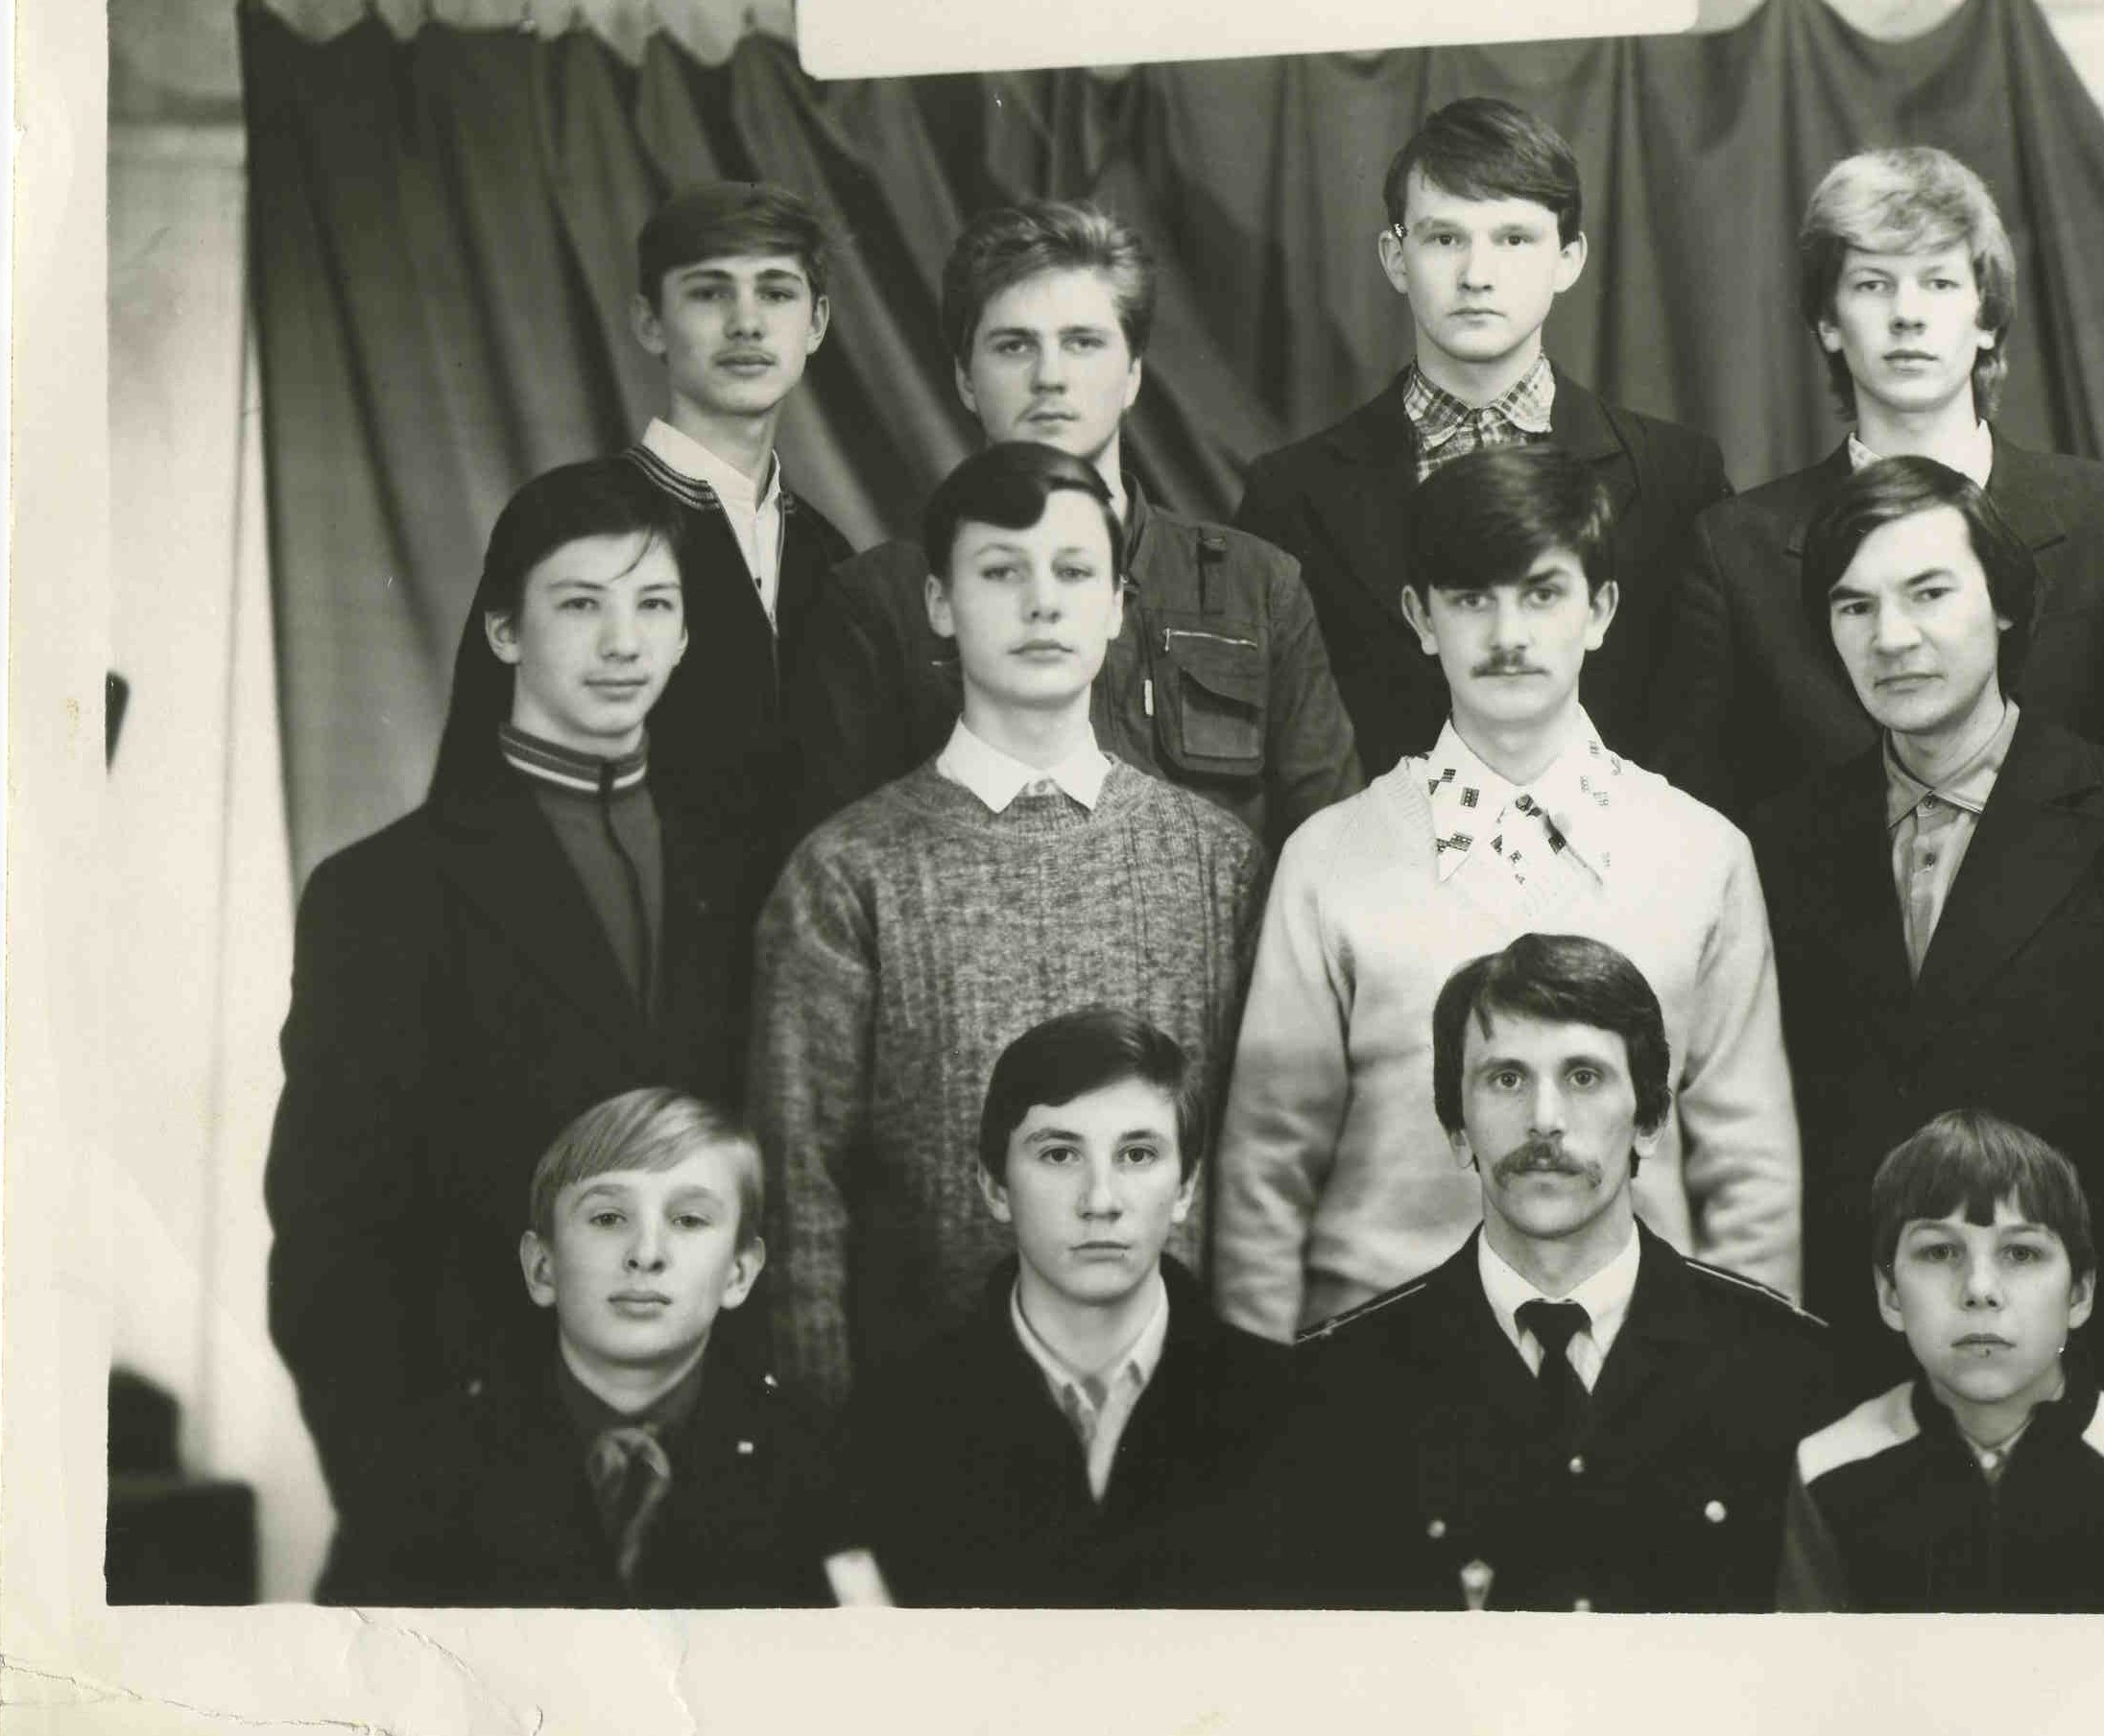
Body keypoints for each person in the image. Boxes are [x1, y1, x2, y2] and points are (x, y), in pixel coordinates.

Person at [1213, 445, 1802, 1343]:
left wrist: (1740, 1382)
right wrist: (1263, 1388)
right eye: (1470, 599)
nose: (1506, 634)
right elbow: (1266, 1163)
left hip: (1644, 1365)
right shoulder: (1328, 858)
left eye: (1541, 593)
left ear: (1599, 610)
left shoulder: (1701, 853)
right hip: (1375, 1356)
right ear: (1420, 617)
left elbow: (1749, 1167)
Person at [265, 463, 753, 1527]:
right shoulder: (380, 892)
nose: (622, 642)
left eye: (654, 606)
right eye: (579, 604)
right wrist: (403, 1482)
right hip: (471, 1476)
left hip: (721, 1473)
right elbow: (328, 1235)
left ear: (684, 636)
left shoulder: (748, 875)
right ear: (502, 631)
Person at [752, 441, 1263, 1407]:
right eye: (1000, 572)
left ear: (1116, 606)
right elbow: (798, 1186)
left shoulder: (1216, 862)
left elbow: (1255, 1174)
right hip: (926, 1427)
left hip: (1180, 1418)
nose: (1040, 604)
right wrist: (827, 1437)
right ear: (938, 604)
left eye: (1072, 572)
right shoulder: (845, 872)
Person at [1748, 455, 2104, 1409]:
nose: (1891, 638)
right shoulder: (1780, 839)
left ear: (2005, 604)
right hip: (1853, 1369)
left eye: (1927, 593)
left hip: (2087, 1366)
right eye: (1854, 607)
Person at [1268, 933, 1839, 1611]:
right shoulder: (1334, 1388)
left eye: (1583, 1077)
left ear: (1650, 1121)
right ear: (1457, 1129)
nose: (1544, 1121)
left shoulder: (1787, 1370)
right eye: (1506, 1079)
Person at [1653, 145, 2104, 817]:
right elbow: (1694, 827)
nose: (1907, 314)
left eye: (1939, 282)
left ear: (1986, 318)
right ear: (1828, 324)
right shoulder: (1735, 547)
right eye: (1872, 285)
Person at [791, 199, 1361, 848]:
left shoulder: (1257, 587)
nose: (1050, 378)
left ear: (1133, 374)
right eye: (1014, 346)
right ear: (965, 380)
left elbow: (1334, 855)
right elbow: (841, 856)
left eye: (1083, 343)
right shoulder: (882, 601)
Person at [1238, 96, 1731, 773]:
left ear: (1569, 258)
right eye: (1444, 239)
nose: (1476, 275)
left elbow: (1705, 738)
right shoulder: (1289, 494)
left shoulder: (1678, 477)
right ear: (1395, 258)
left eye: (1513, 239)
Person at [434, 180, 856, 880]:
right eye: (709, 292)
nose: (746, 323)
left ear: (815, 324)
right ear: (650, 323)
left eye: (776, 292)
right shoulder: (565, 518)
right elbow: (477, 782)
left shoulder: (829, 552)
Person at [317, 1090, 847, 1606]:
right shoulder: (422, 1469)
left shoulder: (813, 1470)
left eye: (688, 1219)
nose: (646, 1253)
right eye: (608, 1218)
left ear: (739, 1273)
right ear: (542, 1267)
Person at [846, 1009, 1293, 1606]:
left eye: (1137, 1154)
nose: (1100, 1201)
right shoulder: (889, 1427)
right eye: (1060, 1155)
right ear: (995, 1187)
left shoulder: (1290, 1414)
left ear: (1185, 1188)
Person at [1789, 1109, 2104, 1613]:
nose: (1979, 1290)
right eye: (1940, 1252)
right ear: (1890, 1295)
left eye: (2021, 1254)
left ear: (2079, 1294)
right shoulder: (1827, 1472)